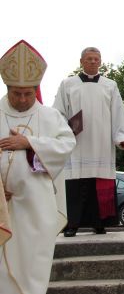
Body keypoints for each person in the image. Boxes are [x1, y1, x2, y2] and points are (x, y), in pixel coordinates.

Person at [0, 40, 76, 294]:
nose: (22, 99)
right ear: (7, 87)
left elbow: (67, 144)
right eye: (16, 93)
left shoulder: (49, 116)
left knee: (34, 264)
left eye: (28, 93)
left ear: (36, 90)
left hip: (36, 206)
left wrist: (29, 142)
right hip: (2, 207)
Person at [53, 47, 124, 237]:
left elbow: (118, 113)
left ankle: (100, 223)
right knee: (76, 184)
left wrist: (122, 137)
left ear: (100, 62)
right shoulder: (67, 84)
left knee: (99, 184)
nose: (92, 62)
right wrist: (65, 130)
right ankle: (71, 224)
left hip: (102, 143)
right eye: (89, 59)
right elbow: (57, 112)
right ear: (81, 61)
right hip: (77, 143)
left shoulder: (110, 85)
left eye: (96, 59)